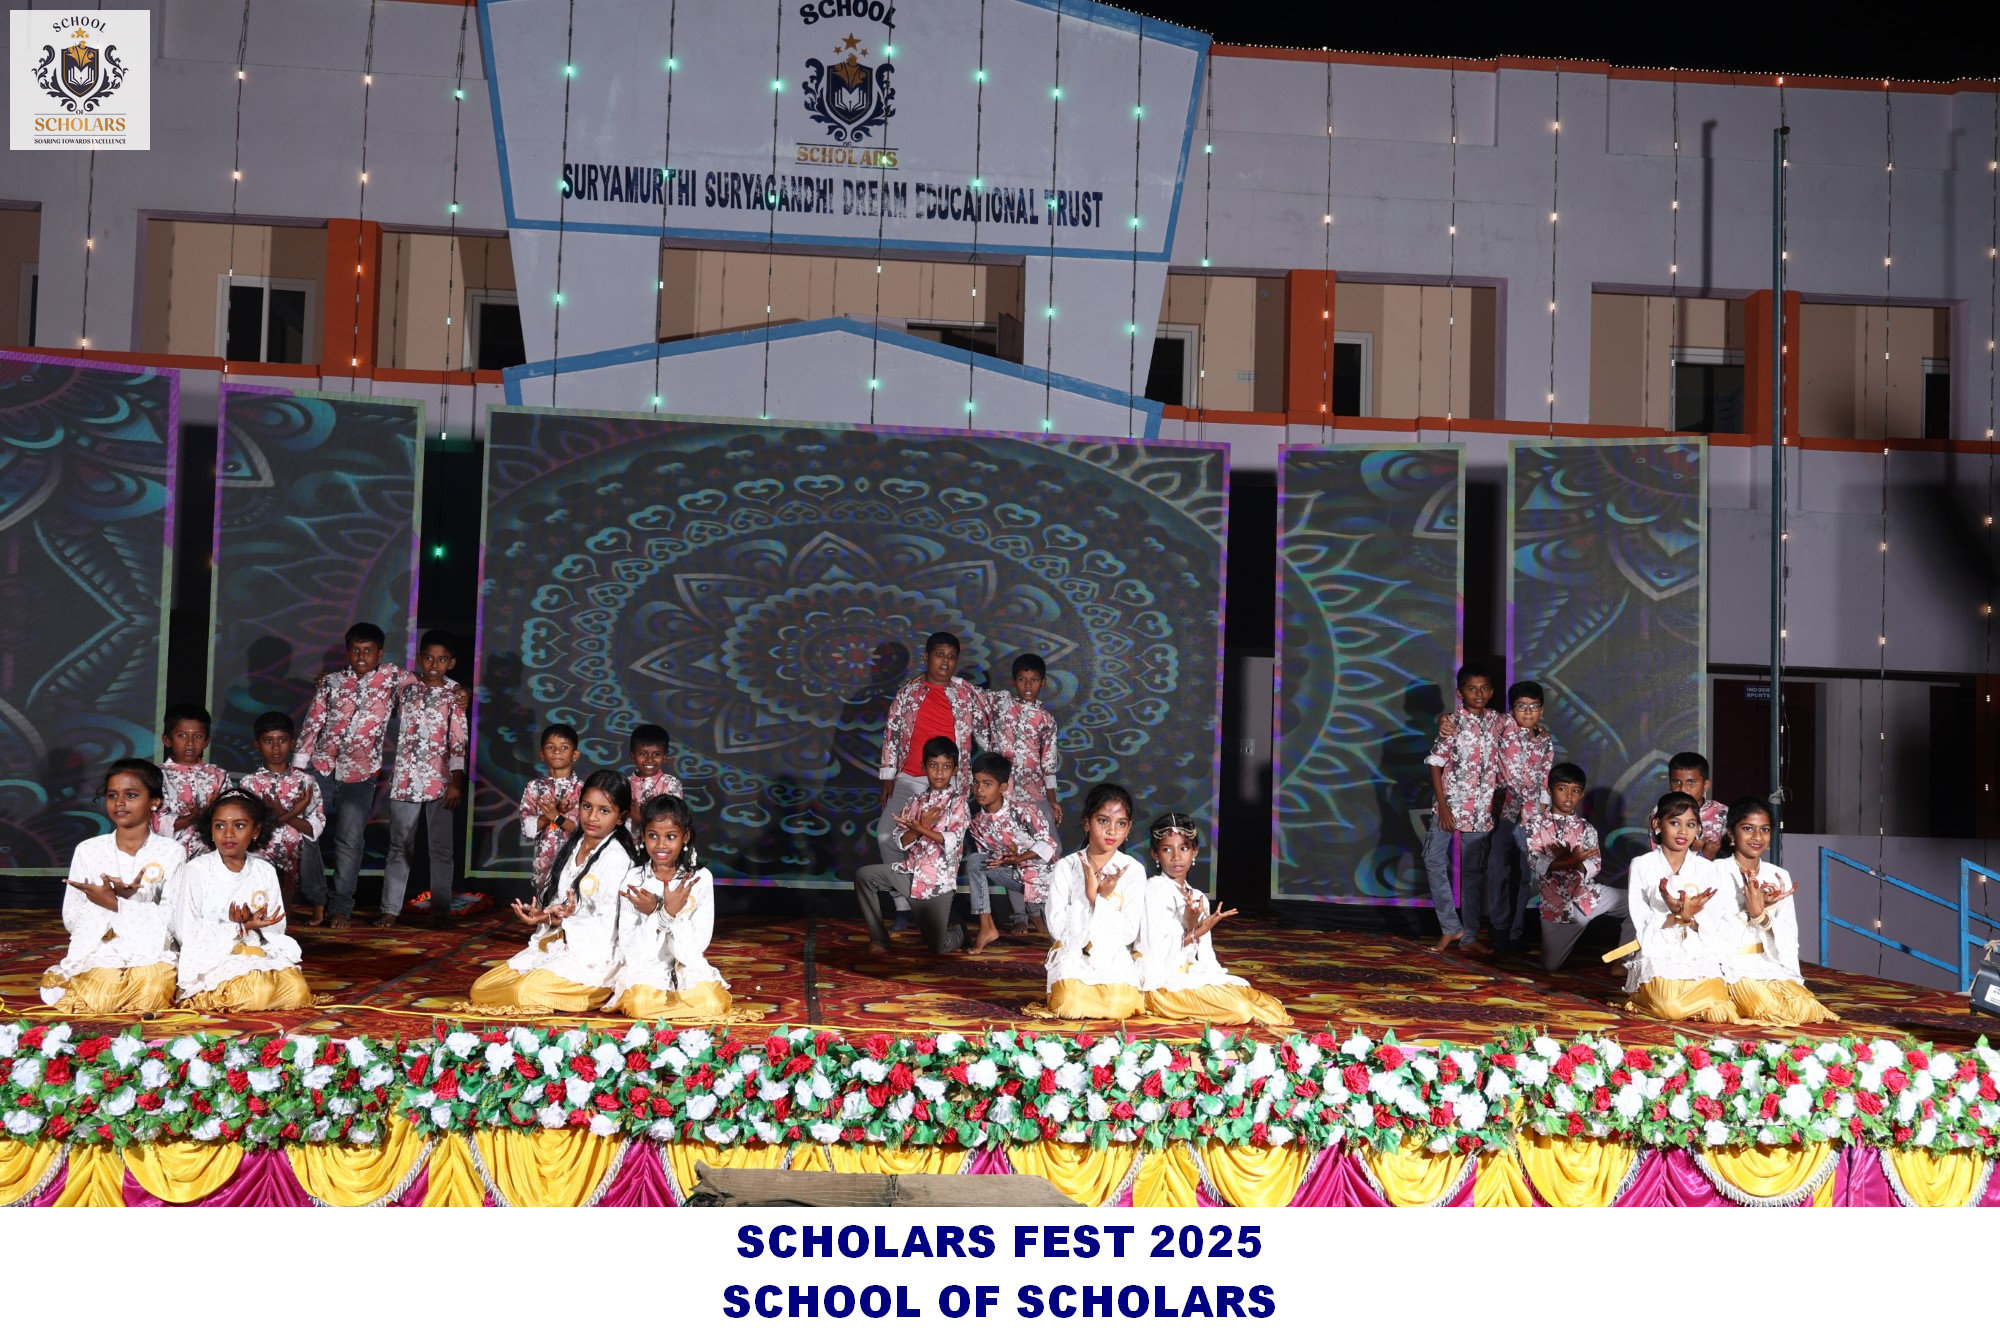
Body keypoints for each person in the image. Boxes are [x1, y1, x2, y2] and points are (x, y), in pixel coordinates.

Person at [468, 770, 639, 1013]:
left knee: (523, 991)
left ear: (620, 817)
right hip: (561, 945)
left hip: (593, 959)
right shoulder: (576, 845)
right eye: (587, 807)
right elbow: (563, 902)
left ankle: (598, 992)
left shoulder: (616, 858)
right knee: (481, 988)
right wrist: (546, 915)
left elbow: (607, 925)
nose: (592, 817)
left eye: (604, 811)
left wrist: (563, 919)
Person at [294, 622, 422, 928]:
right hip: (321, 769)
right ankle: (317, 899)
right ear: (347, 652)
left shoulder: (393, 677)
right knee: (304, 833)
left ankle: (341, 907)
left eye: (368, 651)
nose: (361, 657)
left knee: (349, 842)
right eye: (355, 650)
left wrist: (458, 690)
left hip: (360, 774)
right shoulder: (331, 682)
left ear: (380, 653)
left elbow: (425, 683)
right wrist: (298, 768)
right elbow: (313, 723)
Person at [40, 759, 187, 1013]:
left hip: (151, 949)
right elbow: (71, 918)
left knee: (153, 993)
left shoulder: (171, 851)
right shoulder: (88, 850)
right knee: (102, 998)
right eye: (112, 795)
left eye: (130, 795)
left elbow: (174, 917)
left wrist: (119, 904)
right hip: (102, 947)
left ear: (154, 801)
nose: (119, 802)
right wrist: (107, 904)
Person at [1135, 813, 1290, 1026]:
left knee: (1259, 1001)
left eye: (1184, 848)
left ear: (1195, 851)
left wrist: (1215, 979)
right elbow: (1155, 953)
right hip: (1160, 981)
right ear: (1155, 854)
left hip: (1188, 972)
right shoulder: (1153, 889)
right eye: (1167, 849)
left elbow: (1205, 956)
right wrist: (1197, 930)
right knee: (1240, 1009)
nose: (1176, 857)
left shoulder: (1198, 896)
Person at [875, 632, 985, 920]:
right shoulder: (907, 694)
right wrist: (887, 777)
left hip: (950, 785)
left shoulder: (965, 694)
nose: (945, 661)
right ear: (926, 657)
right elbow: (892, 734)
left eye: (951, 656)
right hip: (909, 779)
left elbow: (994, 714)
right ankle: (903, 904)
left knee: (944, 845)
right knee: (886, 836)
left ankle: (938, 908)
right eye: (939, 655)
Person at [174, 789, 312, 1011]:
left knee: (297, 991)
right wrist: (238, 927)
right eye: (220, 826)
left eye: (239, 826)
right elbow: (185, 930)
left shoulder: (264, 870)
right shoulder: (197, 869)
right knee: (258, 992)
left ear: (255, 830)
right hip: (215, 955)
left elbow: (276, 928)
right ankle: (204, 995)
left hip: (255, 951)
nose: (228, 834)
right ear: (210, 830)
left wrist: (256, 923)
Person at [1716, 797, 1838, 1025]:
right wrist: (1750, 912)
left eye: (1764, 830)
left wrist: (1762, 917)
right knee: (1770, 1011)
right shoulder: (1715, 872)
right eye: (1748, 829)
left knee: (1805, 1009)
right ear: (1731, 834)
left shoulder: (1778, 875)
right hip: (1731, 965)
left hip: (1770, 961)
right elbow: (1712, 932)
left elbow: (1789, 933)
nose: (1757, 837)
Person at [1621, 791, 1740, 1023]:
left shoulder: (1708, 869)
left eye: (1691, 824)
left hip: (1698, 950)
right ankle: (1645, 997)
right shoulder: (1642, 865)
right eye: (1675, 823)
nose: (1683, 831)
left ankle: (1696, 1001)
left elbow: (1714, 922)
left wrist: (1690, 917)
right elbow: (1642, 921)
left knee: (1721, 1012)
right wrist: (1677, 916)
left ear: (1698, 829)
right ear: (1657, 824)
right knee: (1671, 1009)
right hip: (1657, 951)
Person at [1030, 782, 1145, 1020]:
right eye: (1103, 821)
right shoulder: (1066, 867)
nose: (1111, 831)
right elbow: (1057, 928)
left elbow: (1128, 934)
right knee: (1069, 1005)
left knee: (1119, 1006)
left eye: (1120, 823)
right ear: (1086, 822)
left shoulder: (1133, 870)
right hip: (1073, 955)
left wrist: (1098, 900)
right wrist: (1090, 900)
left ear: (1129, 828)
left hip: (1112, 957)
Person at [610, 793, 731, 1020]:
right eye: (653, 836)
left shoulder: (700, 879)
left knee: (713, 1002)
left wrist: (660, 912)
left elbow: (697, 946)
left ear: (685, 836)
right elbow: (632, 950)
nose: (661, 845)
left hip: (687, 965)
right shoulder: (633, 880)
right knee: (638, 1004)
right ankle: (680, 1010)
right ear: (642, 836)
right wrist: (664, 914)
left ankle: (668, 1009)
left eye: (671, 836)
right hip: (648, 968)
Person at [379, 630, 469, 929]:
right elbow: (376, 677)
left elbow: (458, 742)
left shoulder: (454, 696)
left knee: (440, 849)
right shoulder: (406, 687)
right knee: (399, 847)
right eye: (429, 658)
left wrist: (456, 782)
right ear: (419, 658)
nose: (434, 664)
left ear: (451, 663)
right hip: (405, 779)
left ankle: (441, 911)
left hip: (440, 783)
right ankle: (390, 909)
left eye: (441, 660)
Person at [852, 736, 971, 956]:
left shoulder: (958, 802)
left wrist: (922, 827)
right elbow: (901, 841)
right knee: (865, 876)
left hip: (937, 883)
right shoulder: (914, 801)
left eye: (946, 767)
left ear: (954, 770)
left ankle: (961, 931)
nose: (939, 772)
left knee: (937, 946)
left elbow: (952, 841)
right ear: (923, 767)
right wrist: (917, 829)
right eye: (933, 765)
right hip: (910, 874)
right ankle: (879, 939)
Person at [1423, 665, 1504, 954]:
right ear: (1460, 693)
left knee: (1473, 873)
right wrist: (1444, 808)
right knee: (1433, 859)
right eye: (1471, 688)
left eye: (1484, 688)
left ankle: (1469, 936)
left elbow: (1521, 728)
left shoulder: (1498, 721)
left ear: (1491, 692)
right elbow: (1435, 763)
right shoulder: (1452, 723)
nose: (1478, 694)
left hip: (1482, 810)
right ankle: (1450, 927)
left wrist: (1537, 731)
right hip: (1449, 806)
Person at [1526, 762, 1621, 971]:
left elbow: (1595, 864)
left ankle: (1622, 960)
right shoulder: (1536, 824)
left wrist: (1577, 864)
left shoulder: (1587, 828)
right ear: (1550, 791)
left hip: (1589, 897)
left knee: (1637, 903)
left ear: (1581, 794)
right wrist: (1566, 862)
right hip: (1558, 908)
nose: (1568, 796)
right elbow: (1533, 861)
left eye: (1575, 791)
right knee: (1550, 966)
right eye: (1562, 789)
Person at [237, 711, 326, 923]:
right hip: (263, 845)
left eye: (282, 741)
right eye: (268, 741)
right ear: (257, 745)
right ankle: (270, 907)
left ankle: (318, 906)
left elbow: (315, 824)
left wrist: (285, 815)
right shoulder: (249, 783)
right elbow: (252, 824)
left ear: (292, 743)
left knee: (306, 847)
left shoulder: (306, 781)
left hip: (298, 843)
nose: (276, 748)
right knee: (254, 856)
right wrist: (294, 810)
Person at [965, 751, 1056, 951]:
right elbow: (987, 858)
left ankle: (1044, 920)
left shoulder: (1023, 810)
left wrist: (1019, 857)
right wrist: (1004, 859)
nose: (979, 789)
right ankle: (986, 927)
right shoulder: (977, 822)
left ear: (1003, 787)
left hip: (1045, 880)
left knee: (1062, 943)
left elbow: (1048, 845)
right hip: (1014, 877)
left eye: (987, 784)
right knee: (975, 861)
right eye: (976, 782)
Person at [976, 652, 1061, 835]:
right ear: (1014, 682)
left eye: (1034, 680)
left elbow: (1048, 764)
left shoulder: (1046, 720)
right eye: (1022, 679)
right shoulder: (1001, 702)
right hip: (1001, 790)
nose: (1028, 685)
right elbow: (972, 695)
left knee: (1047, 842)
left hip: (1033, 791)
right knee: (1003, 840)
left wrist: (1052, 800)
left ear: (1043, 682)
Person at [518, 722, 583, 906]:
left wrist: (556, 816)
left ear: (575, 755)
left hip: (574, 862)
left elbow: (581, 829)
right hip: (544, 862)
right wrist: (551, 815)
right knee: (544, 912)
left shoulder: (583, 789)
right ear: (542, 754)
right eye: (550, 747)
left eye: (564, 747)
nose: (557, 752)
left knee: (571, 911)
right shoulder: (534, 787)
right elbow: (527, 828)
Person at [157, 703, 229, 862]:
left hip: (209, 859)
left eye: (197, 736)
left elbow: (229, 818)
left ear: (206, 741)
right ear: (167, 740)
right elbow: (151, 821)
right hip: (166, 858)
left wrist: (212, 813)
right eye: (182, 735)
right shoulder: (155, 775)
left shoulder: (219, 775)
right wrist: (193, 817)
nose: (190, 743)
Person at [1665, 752, 1728, 859]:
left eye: (1691, 782)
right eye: (1676, 782)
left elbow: (1730, 856)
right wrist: (1695, 851)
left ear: (1706, 785)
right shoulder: (1661, 812)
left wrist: (1707, 853)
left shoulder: (1722, 813)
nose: (1682, 788)